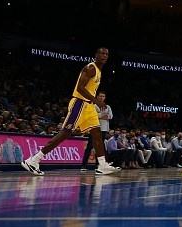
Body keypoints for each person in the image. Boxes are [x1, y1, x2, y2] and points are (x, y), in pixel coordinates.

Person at [20, 47, 120, 175]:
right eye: (102, 53)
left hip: (88, 106)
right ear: (96, 55)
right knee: (65, 133)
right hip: (79, 103)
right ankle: (33, 160)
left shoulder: (99, 70)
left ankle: (102, 165)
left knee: (97, 134)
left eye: (106, 54)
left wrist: (93, 102)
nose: (104, 55)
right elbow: (80, 88)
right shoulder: (90, 68)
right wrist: (96, 100)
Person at [81, 91, 113, 171]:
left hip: (104, 129)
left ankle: (99, 165)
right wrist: (102, 115)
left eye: (103, 96)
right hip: (95, 128)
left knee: (100, 147)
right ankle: (83, 165)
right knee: (90, 146)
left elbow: (111, 116)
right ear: (97, 97)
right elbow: (93, 116)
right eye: (100, 96)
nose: (102, 97)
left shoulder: (108, 106)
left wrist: (101, 115)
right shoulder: (93, 106)